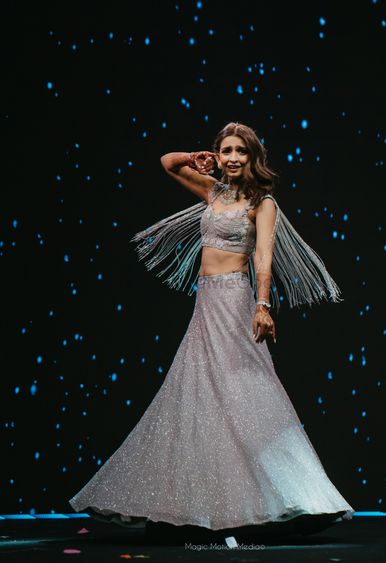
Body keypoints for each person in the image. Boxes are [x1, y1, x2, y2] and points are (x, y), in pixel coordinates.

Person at [68, 122, 354, 537]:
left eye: (241, 151)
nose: (233, 158)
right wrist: (193, 157)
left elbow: (263, 258)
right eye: (226, 151)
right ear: (217, 156)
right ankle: (203, 505)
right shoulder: (214, 192)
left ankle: (299, 494)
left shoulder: (263, 202)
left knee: (247, 391)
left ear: (253, 157)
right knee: (199, 393)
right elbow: (167, 163)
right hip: (206, 303)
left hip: (236, 302)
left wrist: (262, 304)